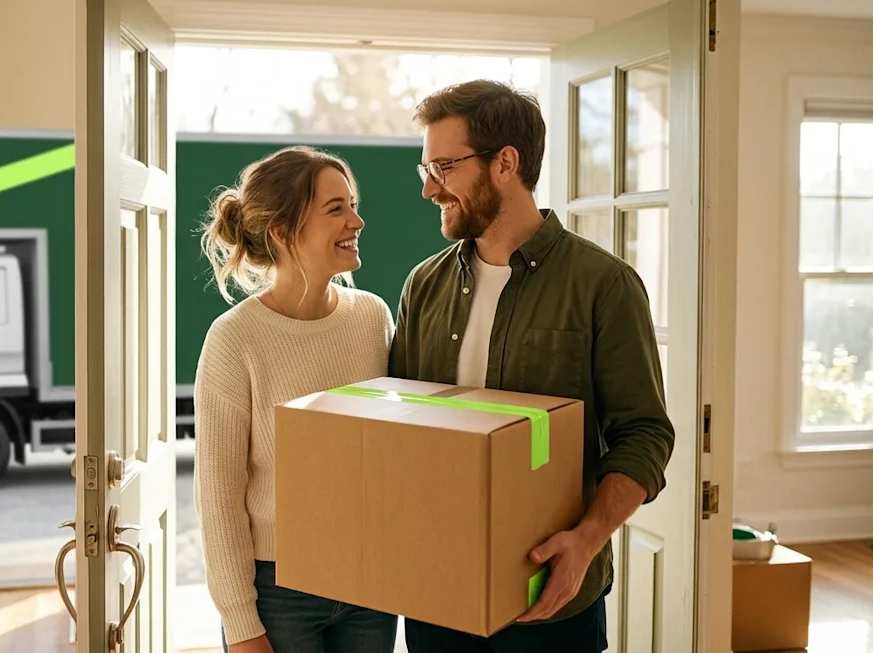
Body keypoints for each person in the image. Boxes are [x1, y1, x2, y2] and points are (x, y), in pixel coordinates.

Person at [389, 79, 676, 653]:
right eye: (425, 170)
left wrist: (588, 540)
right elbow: (401, 430)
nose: (429, 189)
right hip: (436, 592)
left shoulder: (604, 285)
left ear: (506, 163)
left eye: (442, 168)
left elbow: (645, 434)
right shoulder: (424, 285)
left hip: (551, 600)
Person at [192, 146, 399, 653]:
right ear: (283, 233)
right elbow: (218, 499)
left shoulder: (373, 318)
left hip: (372, 581)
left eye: (351, 203)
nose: (357, 219)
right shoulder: (234, 339)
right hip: (278, 592)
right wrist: (241, 624)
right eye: (336, 209)